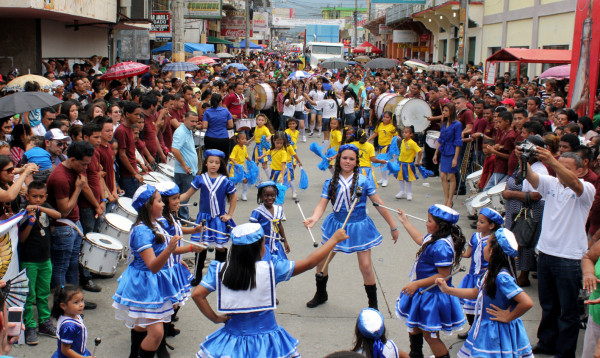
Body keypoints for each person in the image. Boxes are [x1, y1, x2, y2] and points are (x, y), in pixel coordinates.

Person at [192, 223, 349, 358]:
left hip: (232, 340)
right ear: (260, 246)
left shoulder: (220, 269)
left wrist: (216, 318)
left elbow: (197, 294)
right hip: (267, 341)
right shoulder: (272, 269)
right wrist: (334, 240)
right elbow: (309, 263)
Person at [516, 145, 596, 357]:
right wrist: (524, 161)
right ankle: (547, 342)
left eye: (566, 167)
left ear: (579, 170)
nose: (560, 170)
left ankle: (564, 351)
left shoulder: (585, 189)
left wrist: (552, 161)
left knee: (568, 310)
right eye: (560, 166)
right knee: (549, 305)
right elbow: (533, 179)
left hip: (569, 259)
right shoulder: (552, 183)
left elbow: (573, 183)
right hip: (545, 254)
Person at [303, 144, 399, 310]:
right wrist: (314, 218)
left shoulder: (364, 180)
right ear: (339, 159)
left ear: (356, 162)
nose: (347, 161)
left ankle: (373, 304)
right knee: (322, 262)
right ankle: (321, 293)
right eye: (344, 158)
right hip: (336, 226)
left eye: (351, 159)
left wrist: (393, 225)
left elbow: (379, 204)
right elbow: (322, 204)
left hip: (359, 226)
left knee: (366, 266)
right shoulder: (330, 182)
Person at [436, 228, 534, 357]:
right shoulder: (489, 273)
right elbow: (474, 292)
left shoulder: (501, 277)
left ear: (492, 251)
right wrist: (447, 290)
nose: (484, 248)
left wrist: (508, 316)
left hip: (497, 330)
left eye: (486, 245)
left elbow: (527, 302)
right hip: (487, 326)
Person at [112, 184, 184, 358]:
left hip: (155, 280)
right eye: (159, 201)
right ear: (148, 205)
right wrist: (170, 249)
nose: (163, 204)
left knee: (142, 325)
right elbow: (152, 266)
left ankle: (132, 354)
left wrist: (184, 253)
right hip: (146, 283)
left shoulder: (154, 224)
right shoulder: (142, 231)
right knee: (157, 333)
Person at [395, 204, 466, 358]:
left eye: (429, 221)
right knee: (415, 327)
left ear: (439, 225)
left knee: (430, 336)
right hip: (424, 292)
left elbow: (442, 276)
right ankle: (415, 354)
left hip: (433, 296)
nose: (426, 223)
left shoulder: (442, 246)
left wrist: (416, 283)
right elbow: (420, 239)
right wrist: (405, 221)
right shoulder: (436, 237)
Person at [180, 149, 237, 283]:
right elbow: (187, 195)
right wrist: (174, 201)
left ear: (220, 165)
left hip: (219, 219)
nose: (213, 165)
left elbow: (234, 197)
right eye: (211, 162)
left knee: (220, 248)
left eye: (217, 163)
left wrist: (230, 214)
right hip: (204, 220)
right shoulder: (200, 179)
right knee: (201, 247)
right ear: (205, 163)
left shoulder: (224, 180)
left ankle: (220, 275)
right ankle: (197, 275)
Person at [46, 141, 95, 292]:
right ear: (72, 159)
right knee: (61, 266)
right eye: (83, 164)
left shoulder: (75, 169)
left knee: (73, 264)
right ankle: (62, 303)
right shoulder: (60, 178)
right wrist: (78, 189)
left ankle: (74, 299)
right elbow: (64, 210)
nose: (85, 168)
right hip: (63, 227)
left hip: (74, 224)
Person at [19, 180, 61, 345]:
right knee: (30, 295)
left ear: (45, 197)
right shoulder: (23, 212)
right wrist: (30, 220)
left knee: (44, 293)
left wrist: (40, 208)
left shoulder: (46, 207)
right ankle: (29, 324)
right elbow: (22, 239)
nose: (37, 200)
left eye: (40, 197)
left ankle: (44, 321)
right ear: (27, 196)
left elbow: (58, 215)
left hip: (45, 259)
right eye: (34, 197)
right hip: (29, 261)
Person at [456, 207, 503, 340]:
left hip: (485, 278)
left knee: (482, 307)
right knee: (469, 306)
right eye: (478, 221)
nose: (478, 224)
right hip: (472, 277)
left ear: (492, 225)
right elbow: (467, 254)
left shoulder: (494, 241)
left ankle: (481, 330)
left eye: (482, 222)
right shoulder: (475, 237)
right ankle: (472, 327)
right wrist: (457, 249)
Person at [250, 181, 290, 261]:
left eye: (273, 195)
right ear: (260, 196)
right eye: (266, 195)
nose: (270, 198)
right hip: (263, 246)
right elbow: (252, 230)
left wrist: (285, 240)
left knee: (279, 268)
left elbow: (278, 225)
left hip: (276, 245)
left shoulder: (278, 209)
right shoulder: (257, 212)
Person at [51, 284, 93, 358]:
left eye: (82, 300)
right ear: (63, 306)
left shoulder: (74, 315)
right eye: (76, 302)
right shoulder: (69, 327)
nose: (81, 305)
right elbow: (65, 350)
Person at [433, 103, 462, 207]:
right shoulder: (444, 123)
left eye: (446, 111)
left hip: (452, 151)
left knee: (451, 175)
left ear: (451, 111)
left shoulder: (457, 124)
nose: (444, 113)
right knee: (443, 176)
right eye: (443, 110)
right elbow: (440, 139)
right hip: (444, 150)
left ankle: (450, 199)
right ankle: (446, 198)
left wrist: (455, 158)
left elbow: (458, 141)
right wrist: (436, 153)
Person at [172, 111, 199, 221]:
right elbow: (174, 149)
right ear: (184, 119)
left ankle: (184, 216)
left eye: (196, 121)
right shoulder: (181, 132)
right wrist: (184, 165)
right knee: (184, 196)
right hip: (184, 171)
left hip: (188, 170)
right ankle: (182, 218)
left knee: (184, 196)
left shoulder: (188, 130)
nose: (194, 124)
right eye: (192, 121)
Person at [114, 102, 143, 198]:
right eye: (136, 114)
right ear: (127, 114)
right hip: (127, 176)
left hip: (133, 172)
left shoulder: (130, 128)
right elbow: (122, 155)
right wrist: (134, 173)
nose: (138, 117)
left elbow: (130, 151)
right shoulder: (121, 131)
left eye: (139, 114)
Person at [368, 111, 397, 187]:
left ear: (391, 119)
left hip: (387, 147)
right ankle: (383, 178)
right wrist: (369, 139)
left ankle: (385, 180)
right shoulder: (379, 125)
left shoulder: (392, 127)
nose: (385, 118)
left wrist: (395, 148)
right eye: (384, 117)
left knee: (383, 163)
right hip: (380, 146)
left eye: (387, 117)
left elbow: (396, 137)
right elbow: (376, 133)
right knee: (381, 163)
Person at [203, 93, 234, 159]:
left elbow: (204, 126)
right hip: (223, 137)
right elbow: (231, 125)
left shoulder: (207, 111)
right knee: (223, 159)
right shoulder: (226, 111)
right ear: (220, 101)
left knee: (210, 158)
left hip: (210, 137)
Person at [395, 126, 422, 201]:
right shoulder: (403, 141)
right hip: (401, 162)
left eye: (406, 133)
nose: (404, 134)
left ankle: (409, 193)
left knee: (408, 178)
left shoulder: (412, 143)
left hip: (408, 163)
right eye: (403, 132)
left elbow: (420, 151)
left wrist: (418, 161)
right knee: (400, 178)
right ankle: (402, 191)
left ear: (411, 134)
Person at [251, 113, 273, 182]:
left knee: (264, 164)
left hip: (262, 148)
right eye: (259, 120)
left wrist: (267, 138)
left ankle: (270, 178)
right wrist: (249, 141)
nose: (260, 121)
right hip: (257, 148)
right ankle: (258, 179)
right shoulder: (256, 128)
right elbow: (255, 136)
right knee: (255, 164)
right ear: (256, 121)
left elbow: (270, 135)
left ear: (265, 121)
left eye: (262, 120)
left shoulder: (265, 128)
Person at [229, 132, 250, 201]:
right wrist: (236, 164)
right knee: (235, 181)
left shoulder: (244, 147)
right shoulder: (236, 148)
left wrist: (251, 161)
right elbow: (231, 157)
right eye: (242, 139)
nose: (244, 140)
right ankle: (233, 194)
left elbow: (246, 156)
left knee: (245, 180)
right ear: (238, 140)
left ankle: (244, 194)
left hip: (241, 167)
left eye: (245, 138)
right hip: (235, 167)